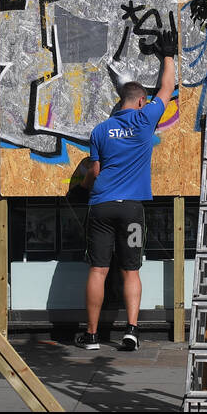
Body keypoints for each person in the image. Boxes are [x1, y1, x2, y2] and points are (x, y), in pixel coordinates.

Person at [75, 27, 178, 351]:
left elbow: (94, 171)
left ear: (120, 102)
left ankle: (91, 335)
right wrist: (168, 56)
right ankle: (131, 331)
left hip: (102, 206)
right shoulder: (146, 119)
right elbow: (167, 88)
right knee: (131, 270)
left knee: (98, 269)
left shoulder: (101, 129)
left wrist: (82, 187)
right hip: (132, 208)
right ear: (140, 101)